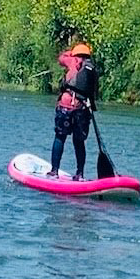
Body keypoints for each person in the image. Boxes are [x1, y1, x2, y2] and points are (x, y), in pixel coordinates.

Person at [48, 42, 98, 179]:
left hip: (66, 107)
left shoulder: (73, 60)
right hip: (82, 109)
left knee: (60, 137)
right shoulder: (92, 68)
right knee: (79, 141)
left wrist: (70, 52)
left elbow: (61, 58)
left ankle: (54, 171)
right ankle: (80, 174)